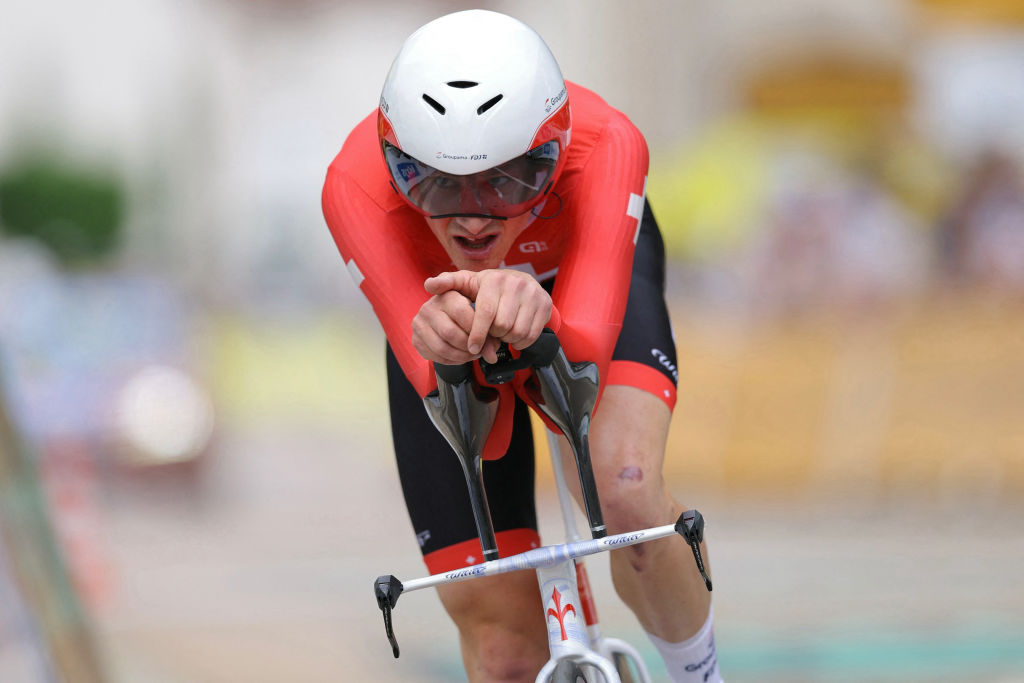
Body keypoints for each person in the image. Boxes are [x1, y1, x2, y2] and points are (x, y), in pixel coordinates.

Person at [322, 10, 719, 683]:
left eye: (511, 180)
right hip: (443, 317)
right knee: (505, 653)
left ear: (555, 154)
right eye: (435, 183)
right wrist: (447, 348)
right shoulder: (353, 186)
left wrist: (547, 320)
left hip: (582, 285)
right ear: (394, 165)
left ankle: (699, 674)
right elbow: (488, 433)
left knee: (623, 487)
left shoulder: (608, 141)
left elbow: (585, 356)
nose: (474, 215)